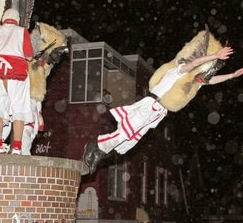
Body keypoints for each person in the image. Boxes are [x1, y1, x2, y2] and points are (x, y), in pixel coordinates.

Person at [83, 45, 243, 174]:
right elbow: (194, 64)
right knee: (125, 133)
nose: (202, 79)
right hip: (150, 105)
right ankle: (94, 145)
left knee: (126, 145)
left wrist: (231, 76)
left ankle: (99, 153)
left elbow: (209, 81)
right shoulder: (179, 72)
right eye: (203, 72)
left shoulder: (192, 83)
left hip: (157, 115)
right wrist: (215, 56)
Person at [0, 8, 34, 154]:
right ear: (17, 20)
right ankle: (17, 148)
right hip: (16, 74)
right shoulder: (22, 31)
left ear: (3, 19)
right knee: (19, 109)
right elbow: (29, 56)